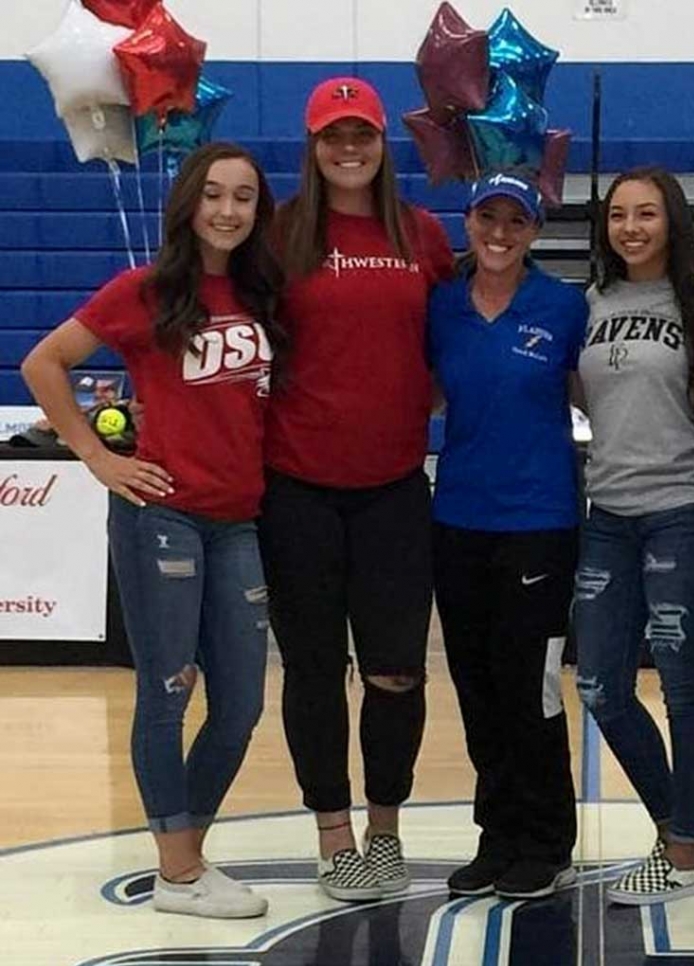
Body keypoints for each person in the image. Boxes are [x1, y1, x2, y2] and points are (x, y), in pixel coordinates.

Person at [21, 142, 285, 919]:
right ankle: (177, 872)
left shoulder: (263, 295)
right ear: (188, 205)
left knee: (238, 704)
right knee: (167, 694)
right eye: (213, 195)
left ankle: (186, 856)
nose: (228, 210)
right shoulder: (145, 290)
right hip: (160, 515)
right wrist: (98, 456)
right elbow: (45, 363)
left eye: (243, 197)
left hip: (239, 521)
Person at [257, 76, 454, 902]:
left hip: (395, 490)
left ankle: (384, 830)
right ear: (312, 146)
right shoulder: (275, 237)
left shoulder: (421, 234)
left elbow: (453, 344)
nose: (348, 149)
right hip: (296, 489)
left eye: (361, 135)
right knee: (311, 670)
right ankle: (333, 834)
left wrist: (403, 401)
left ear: (383, 143)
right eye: (333, 136)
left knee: (395, 672)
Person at [429, 172, 587, 899]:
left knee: (530, 688)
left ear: (534, 230)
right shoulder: (442, 308)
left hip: (539, 524)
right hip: (458, 519)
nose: (499, 232)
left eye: (515, 221)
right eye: (486, 217)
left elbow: (603, 397)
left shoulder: (562, 307)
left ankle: (546, 837)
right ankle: (496, 835)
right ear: (467, 221)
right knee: (476, 685)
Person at [573, 167, 694, 905]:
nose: (631, 227)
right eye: (618, 216)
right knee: (600, 685)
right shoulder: (591, 303)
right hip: (608, 515)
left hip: (685, 511)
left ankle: (684, 853)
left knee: (685, 689)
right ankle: (675, 827)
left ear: (673, 221)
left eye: (647, 214)